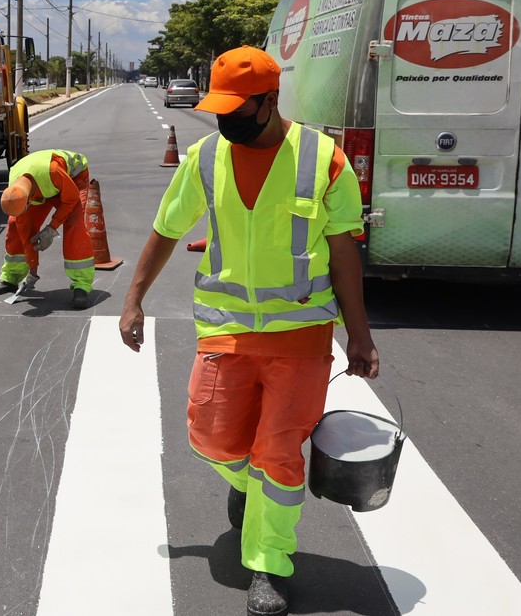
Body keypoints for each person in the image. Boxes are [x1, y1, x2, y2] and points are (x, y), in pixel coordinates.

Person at [116, 46, 380, 616]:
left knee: (279, 454)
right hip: (226, 330)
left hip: (302, 333)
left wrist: (359, 335)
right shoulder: (206, 158)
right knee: (209, 438)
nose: (225, 118)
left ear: (270, 100)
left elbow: (343, 251)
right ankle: (247, 486)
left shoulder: (324, 159)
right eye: (220, 107)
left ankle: (268, 565)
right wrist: (133, 298)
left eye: (239, 108)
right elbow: (166, 230)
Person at [0, 149, 96, 310]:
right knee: (14, 225)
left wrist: (52, 228)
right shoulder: (15, 184)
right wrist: (33, 270)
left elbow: (70, 200)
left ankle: (82, 285)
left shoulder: (53, 171)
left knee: (75, 225)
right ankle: (11, 276)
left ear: (28, 201)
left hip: (72, 179)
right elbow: (26, 232)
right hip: (44, 187)